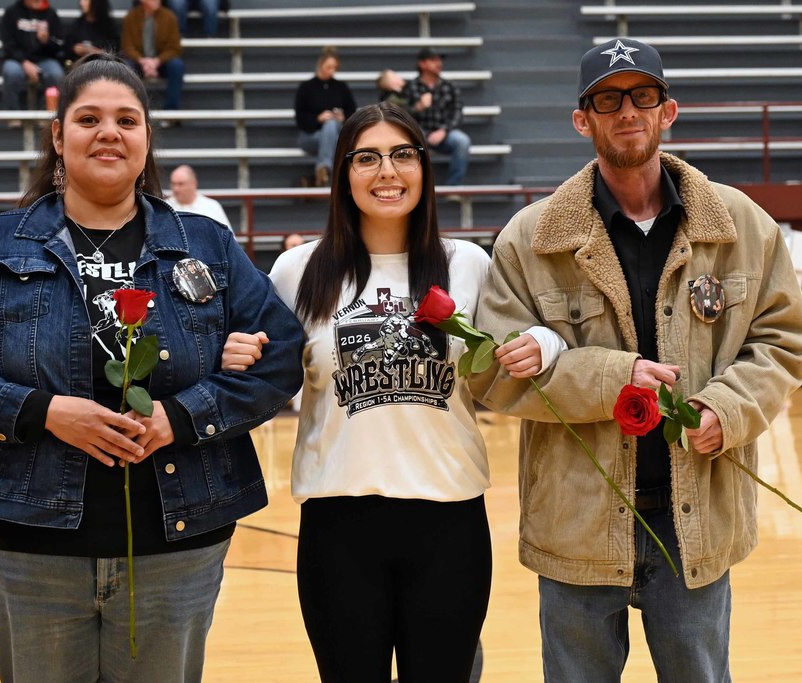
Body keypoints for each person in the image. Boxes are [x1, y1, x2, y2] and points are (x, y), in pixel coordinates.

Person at [0, 54, 304, 683]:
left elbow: (281, 356)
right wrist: (44, 413)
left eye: (127, 119)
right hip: (29, 540)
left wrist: (180, 417)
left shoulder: (205, 243)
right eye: (88, 118)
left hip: (177, 540)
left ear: (147, 139)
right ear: (58, 136)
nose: (109, 132)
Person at [470, 39, 802, 681]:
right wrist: (609, 377)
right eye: (608, 99)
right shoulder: (530, 237)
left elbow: (783, 339)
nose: (627, 110)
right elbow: (492, 370)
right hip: (577, 522)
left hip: (696, 520)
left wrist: (728, 409)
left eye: (642, 96)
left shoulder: (742, 225)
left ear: (667, 111)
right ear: (583, 119)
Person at [227, 101, 565, 682]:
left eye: (402, 155)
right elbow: (260, 375)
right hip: (339, 523)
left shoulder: (469, 265)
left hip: (449, 518)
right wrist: (237, 355)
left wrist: (544, 342)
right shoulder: (295, 270)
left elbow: (535, 334)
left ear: (425, 169)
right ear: (343, 173)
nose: (387, 171)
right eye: (367, 158)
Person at [403, 47, 470, 186]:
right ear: (422, 64)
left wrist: (444, 130)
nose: (439, 63)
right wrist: (417, 107)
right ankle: (417, 187)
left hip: (444, 132)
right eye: (433, 60)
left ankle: (453, 188)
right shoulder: (410, 87)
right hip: (419, 131)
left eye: (439, 60)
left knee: (462, 141)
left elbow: (457, 112)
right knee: (410, 141)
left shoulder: (450, 86)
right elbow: (402, 114)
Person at [294, 46, 357, 188]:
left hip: (336, 133)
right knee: (330, 128)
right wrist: (318, 118)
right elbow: (300, 118)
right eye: (329, 67)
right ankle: (330, 174)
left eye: (334, 68)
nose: (332, 71)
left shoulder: (341, 87)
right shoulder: (306, 87)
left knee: (331, 125)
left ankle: (323, 170)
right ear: (320, 64)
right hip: (311, 136)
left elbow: (352, 111)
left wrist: (342, 117)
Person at [0, 0, 66, 111]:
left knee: (56, 74)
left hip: (44, 59)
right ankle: (12, 114)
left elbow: (59, 45)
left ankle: (49, 115)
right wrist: (24, 62)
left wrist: (46, 41)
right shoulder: (11, 13)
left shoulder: (50, 14)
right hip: (17, 60)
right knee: (11, 72)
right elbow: (8, 44)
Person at [121, 0, 185, 112]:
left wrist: (156, 61)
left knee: (177, 66)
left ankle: (171, 111)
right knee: (126, 66)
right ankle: (130, 110)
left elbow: (174, 48)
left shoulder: (169, 17)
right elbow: (127, 47)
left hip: (162, 63)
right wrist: (142, 61)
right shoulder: (131, 17)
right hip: (139, 63)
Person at [166, 164, 231, 228]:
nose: (176, 189)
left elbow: (227, 235)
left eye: (181, 184)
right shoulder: (165, 207)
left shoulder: (212, 206)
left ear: (193, 183)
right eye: (173, 184)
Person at [64, 0, 120, 65]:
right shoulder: (77, 24)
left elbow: (115, 48)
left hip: (103, 65)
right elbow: (68, 46)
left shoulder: (109, 26)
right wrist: (75, 48)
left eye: (85, 0)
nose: (81, 3)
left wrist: (95, 51)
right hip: (80, 64)